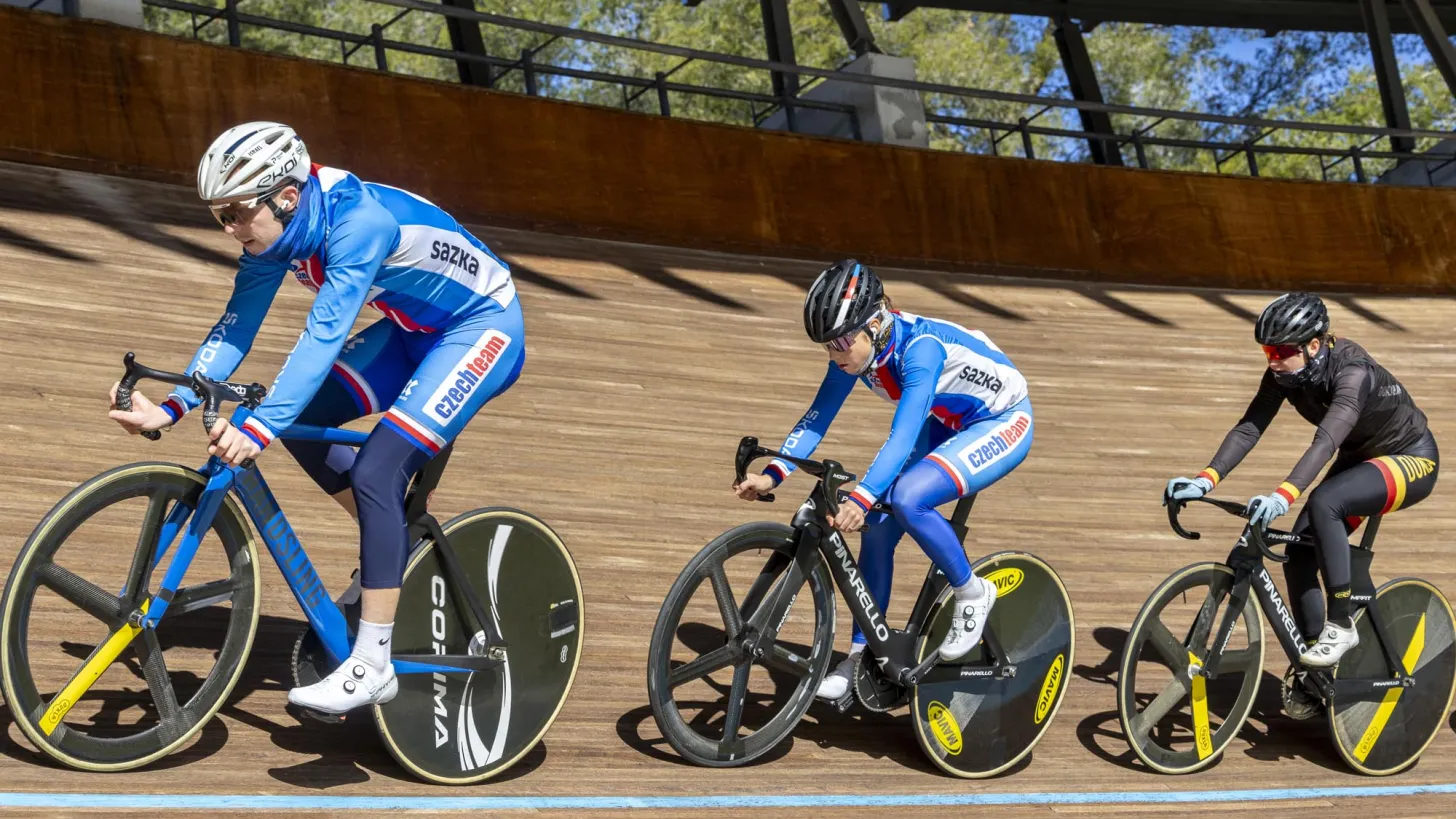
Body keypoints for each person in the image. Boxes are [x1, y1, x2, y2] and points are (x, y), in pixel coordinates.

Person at [106, 121, 525, 715]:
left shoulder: (359, 225)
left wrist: (258, 428)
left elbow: (323, 336)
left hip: (480, 327)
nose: (228, 229)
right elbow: (238, 323)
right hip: (412, 330)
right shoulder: (274, 234)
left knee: (378, 467)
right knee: (304, 418)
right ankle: (393, 542)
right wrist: (175, 405)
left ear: (288, 194)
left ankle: (373, 661)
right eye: (217, 215)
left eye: (235, 212)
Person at [733, 260, 1034, 701]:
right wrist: (773, 474)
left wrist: (864, 494)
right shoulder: (857, 349)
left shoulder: (921, 350)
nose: (835, 355)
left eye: (839, 342)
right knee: (876, 528)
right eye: (825, 346)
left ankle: (972, 590)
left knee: (909, 499)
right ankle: (863, 655)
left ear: (874, 323)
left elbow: (904, 434)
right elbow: (817, 419)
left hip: (1002, 420)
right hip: (949, 421)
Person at [1165, 292, 1437, 717]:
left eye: (1281, 352)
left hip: (1410, 457)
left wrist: (1283, 493)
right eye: (1267, 351)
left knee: (1326, 500)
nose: (1272, 361)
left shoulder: (1352, 372)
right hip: (1360, 458)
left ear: (1313, 345)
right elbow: (1250, 427)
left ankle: (1342, 623)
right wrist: (1205, 478)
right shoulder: (1285, 372)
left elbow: (1326, 441)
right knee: (1298, 554)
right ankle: (1317, 673)